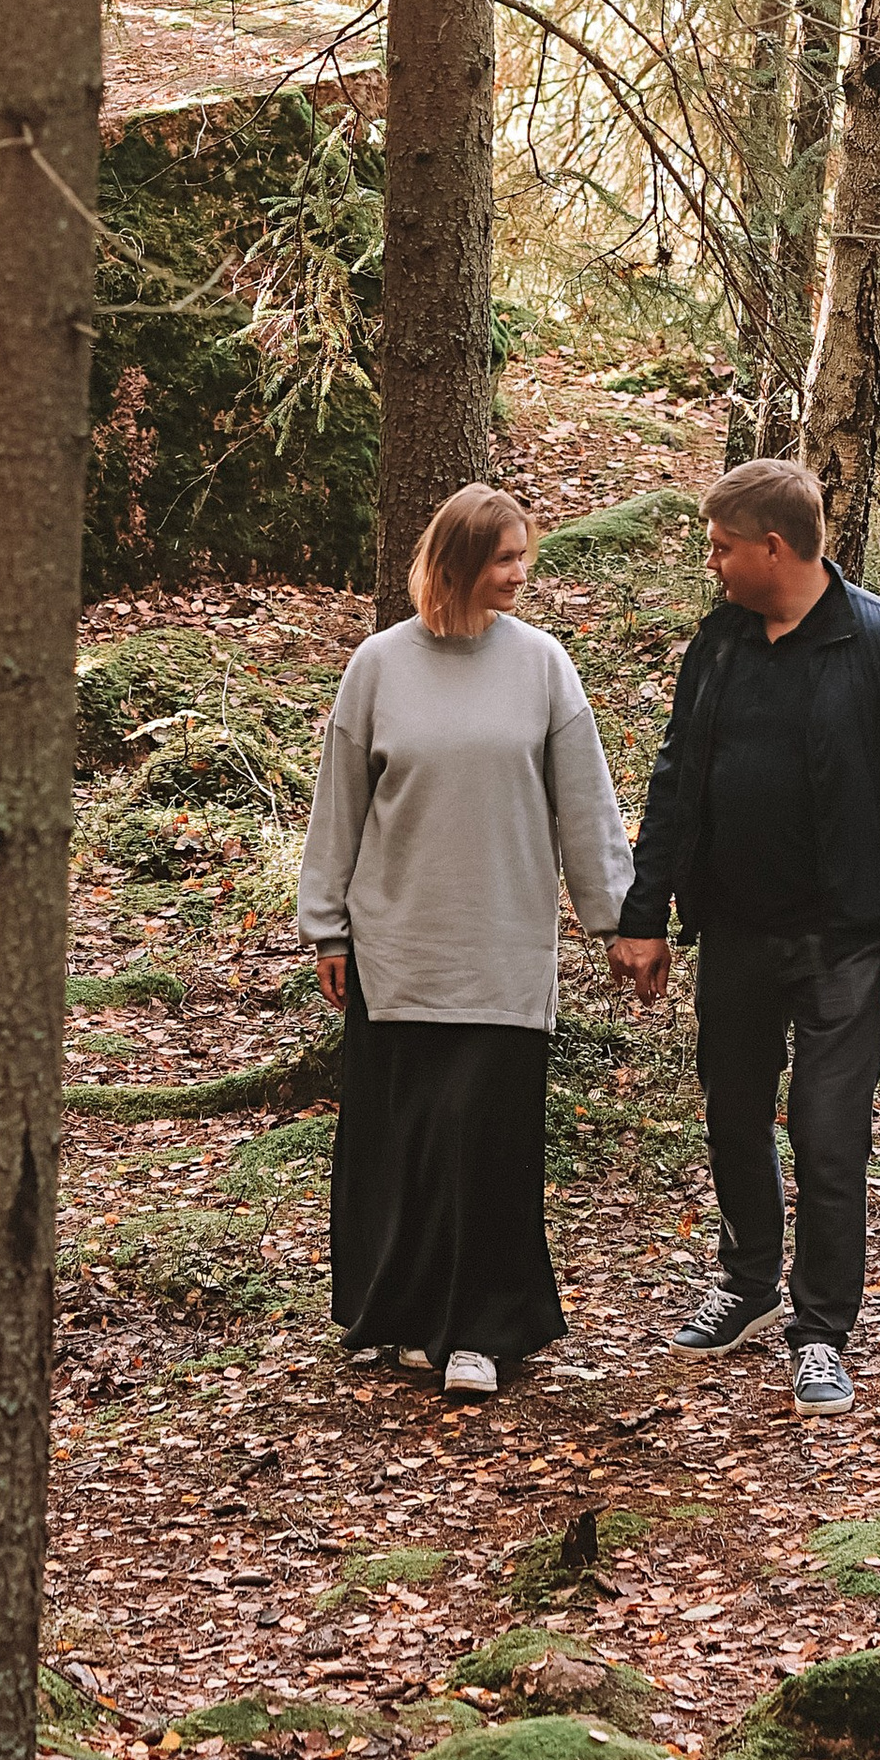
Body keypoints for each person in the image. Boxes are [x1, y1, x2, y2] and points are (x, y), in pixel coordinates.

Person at [608, 456, 880, 1418]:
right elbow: (676, 784)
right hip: (733, 933)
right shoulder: (719, 644)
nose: (713, 563)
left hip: (847, 943)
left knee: (828, 1134)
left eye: (723, 547)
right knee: (734, 1118)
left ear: (775, 546)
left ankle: (821, 1333)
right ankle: (749, 1284)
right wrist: (646, 916)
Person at [298, 483, 635, 1400]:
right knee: (401, 1143)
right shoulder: (377, 667)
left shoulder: (543, 667)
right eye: (504, 559)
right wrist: (325, 925)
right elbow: (340, 810)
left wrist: (617, 921)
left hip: (501, 949)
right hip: (397, 948)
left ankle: (484, 1333)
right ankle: (402, 1319)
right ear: (454, 562)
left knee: (485, 1146)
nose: (522, 573)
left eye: (525, 556)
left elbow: (586, 805)